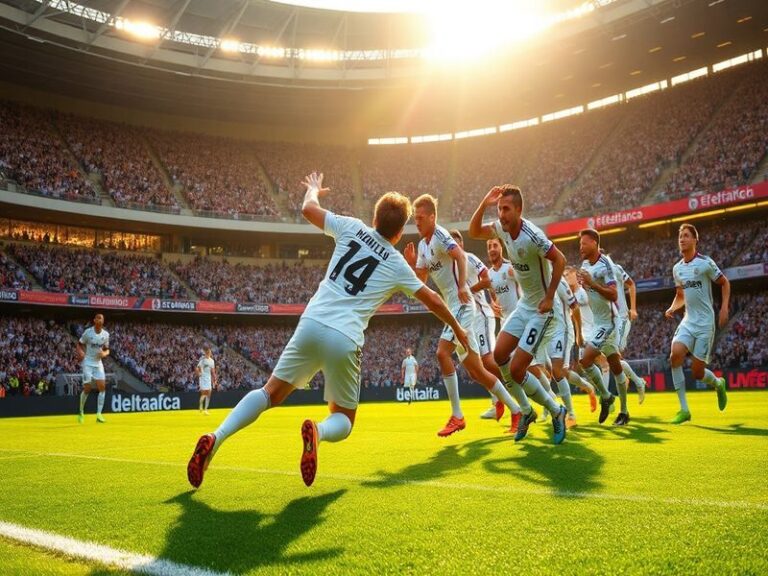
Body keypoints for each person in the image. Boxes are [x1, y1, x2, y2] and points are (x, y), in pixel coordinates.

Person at [187, 172, 471, 489]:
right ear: (397, 233)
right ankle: (317, 432)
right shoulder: (396, 261)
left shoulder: (351, 227)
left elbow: (308, 210)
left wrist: (312, 190)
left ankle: (216, 436)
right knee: (344, 420)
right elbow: (432, 298)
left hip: (311, 322)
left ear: (375, 217)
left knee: (269, 393)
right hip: (345, 336)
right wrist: (458, 329)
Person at [404, 195, 521, 438]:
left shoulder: (439, 235)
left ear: (432, 217)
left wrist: (461, 286)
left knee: (441, 352)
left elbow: (459, 255)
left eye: (421, 218)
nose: (417, 222)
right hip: (452, 309)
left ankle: (457, 416)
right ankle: (517, 409)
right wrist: (412, 265)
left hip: (463, 305)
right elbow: (422, 282)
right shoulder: (424, 245)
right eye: (415, 219)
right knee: (477, 371)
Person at [468, 184, 568, 444]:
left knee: (517, 367)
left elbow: (561, 260)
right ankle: (526, 411)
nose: (501, 214)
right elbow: (474, 231)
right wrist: (484, 203)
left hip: (543, 310)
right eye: (500, 209)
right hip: (525, 306)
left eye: (506, 209)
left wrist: (549, 297)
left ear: (519, 210)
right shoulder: (501, 229)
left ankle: (557, 411)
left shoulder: (532, 235)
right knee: (499, 356)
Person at [450, 230, 517, 428]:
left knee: (488, 360)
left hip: (481, 315)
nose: (451, 247)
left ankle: (520, 383)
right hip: (466, 320)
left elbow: (488, 279)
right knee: (473, 370)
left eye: (454, 243)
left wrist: (470, 291)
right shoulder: (449, 267)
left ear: (460, 244)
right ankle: (497, 401)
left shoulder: (469, 258)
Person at [665, 223, 729, 424]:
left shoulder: (705, 263)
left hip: (705, 324)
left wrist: (724, 307)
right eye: (680, 236)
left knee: (697, 372)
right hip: (688, 320)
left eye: (686, 236)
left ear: (695, 240)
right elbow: (680, 295)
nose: (682, 239)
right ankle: (684, 410)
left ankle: (718, 383)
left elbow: (724, 283)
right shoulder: (677, 269)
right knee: (674, 356)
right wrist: (672, 308)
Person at [576, 229, 627, 425]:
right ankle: (623, 411)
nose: (581, 247)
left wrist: (592, 284)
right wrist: (585, 285)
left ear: (595, 244)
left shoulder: (606, 264)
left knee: (585, 359)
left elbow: (613, 295)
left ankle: (606, 397)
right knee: (615, 366)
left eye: (584, 243)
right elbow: (589, 290)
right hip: (597, 322)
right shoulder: (584, 265)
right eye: (580, 244)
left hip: (609, 322)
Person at [77, 313, 110, 424]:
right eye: (98, 318)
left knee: (102, 388)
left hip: (98, 363)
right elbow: (79, 344)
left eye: (102, 318)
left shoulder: (105, 335)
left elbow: (107, 349)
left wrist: (104, 354)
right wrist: (81, 352)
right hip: (88, 362)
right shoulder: (88, 332)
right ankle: (81, 411)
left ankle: (99, 415)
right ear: (94, 320)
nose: (100, 320)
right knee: (87, 388)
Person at [195, 348, 217, 414]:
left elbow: (213, 371)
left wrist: (215, 379)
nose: (209, 353)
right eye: (208, 352)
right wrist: (198, 374)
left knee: (209, 394)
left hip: (208, 378)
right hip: (202, 378)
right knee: (203, 394)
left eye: (209, 352)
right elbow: (197, 368)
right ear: (206, 353)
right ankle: (201, 405)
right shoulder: (202, 360)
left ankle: (205, 409)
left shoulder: (212, 361)